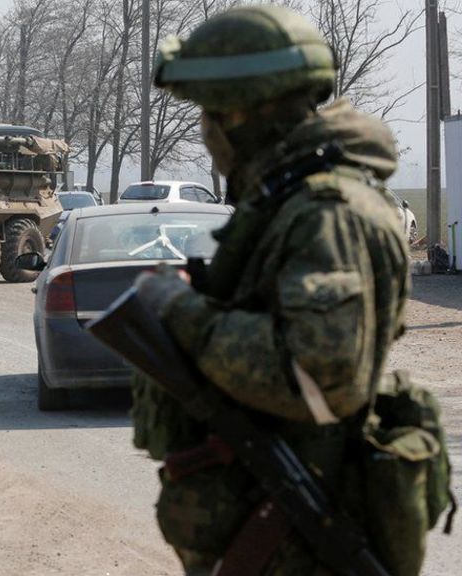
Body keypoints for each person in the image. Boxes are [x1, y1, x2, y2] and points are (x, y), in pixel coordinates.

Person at [130, 5, 419, 574]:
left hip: (298, 543)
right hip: (271, 534)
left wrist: (182, 310)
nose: (205, 130)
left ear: (245, 115)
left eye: (210, 113)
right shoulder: (290, 204)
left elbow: (315, 374)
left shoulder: (326, 213)